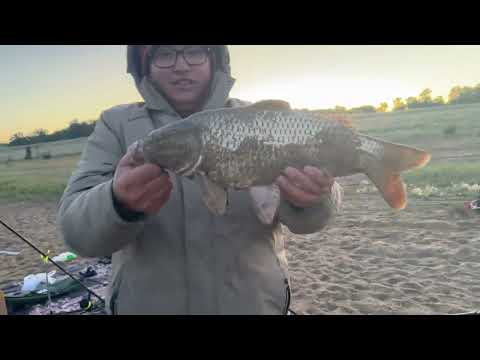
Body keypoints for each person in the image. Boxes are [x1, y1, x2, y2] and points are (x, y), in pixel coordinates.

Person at [56, 45, 342, 315]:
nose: (181, 66)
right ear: (145, 63)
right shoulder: (116, 125)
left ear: (214, 57)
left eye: (194, 51)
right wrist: (118, 203)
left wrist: (313, 200)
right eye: (165, 54)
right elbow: (76, 232)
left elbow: (313, 220)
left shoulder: (263, 118)